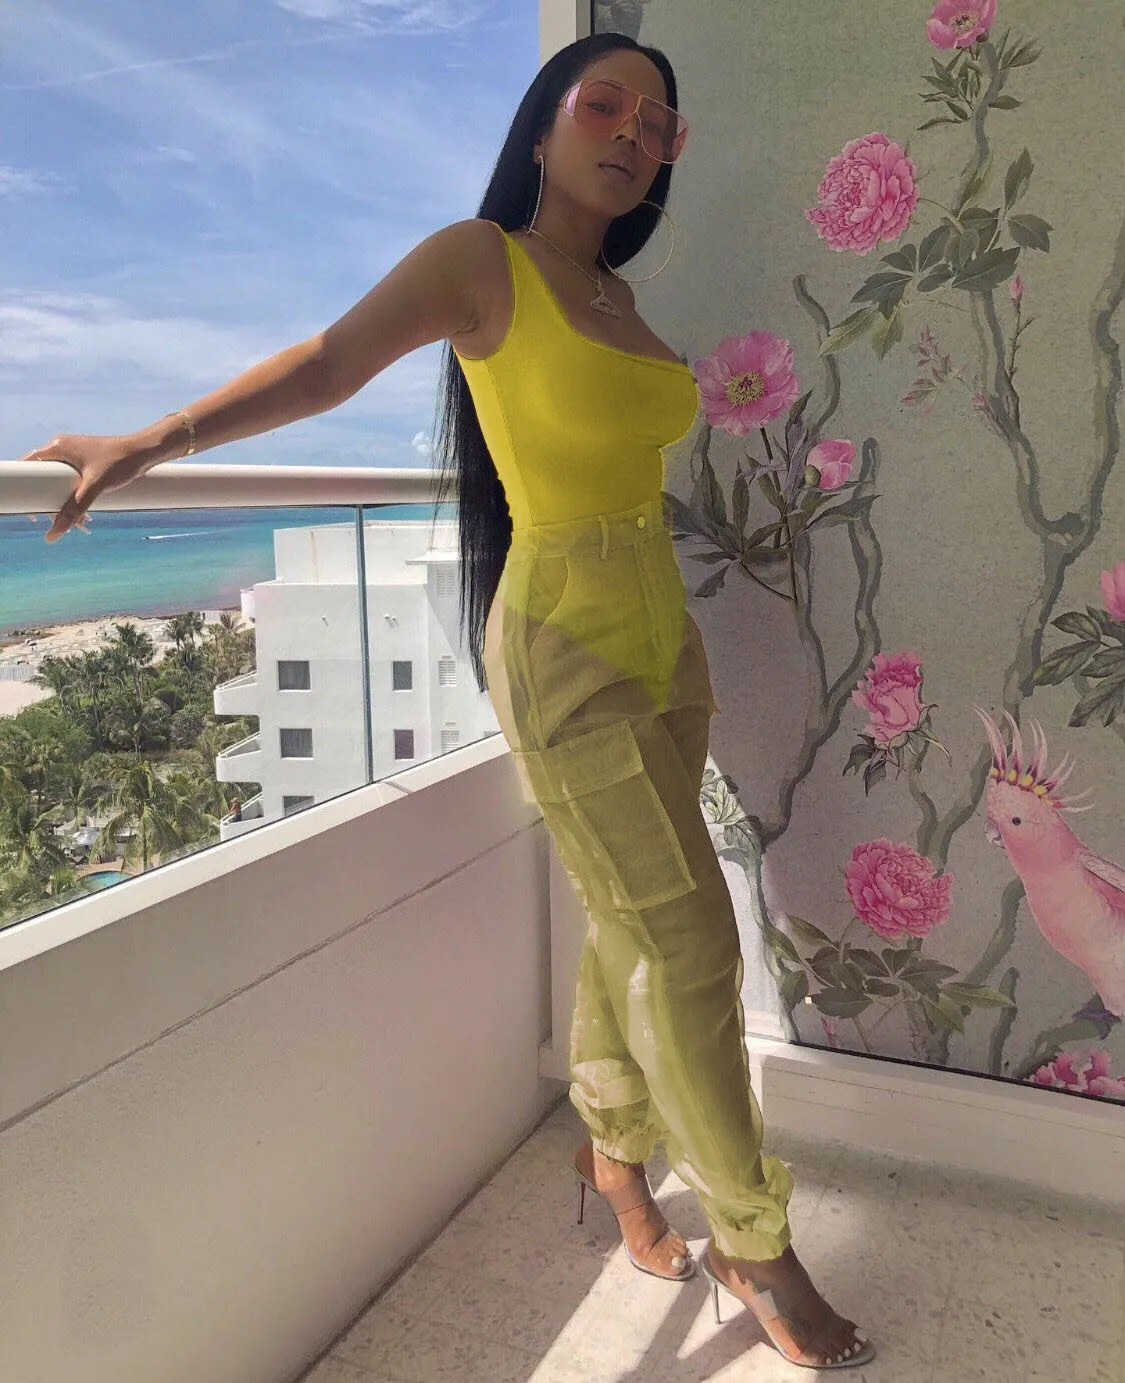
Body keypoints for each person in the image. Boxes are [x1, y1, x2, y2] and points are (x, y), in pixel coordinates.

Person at [20, 33, 873, 1373]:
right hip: (565, 646)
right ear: (542, 125)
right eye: (604, 104)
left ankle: (611, 1150)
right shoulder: (486, 261)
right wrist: (149, 441)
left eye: (659, 123)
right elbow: (328, 362)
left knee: (628, 917)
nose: (633, 133)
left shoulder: (617, 294)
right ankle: (756, 1238)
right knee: (694, 941)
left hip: (665, 643)